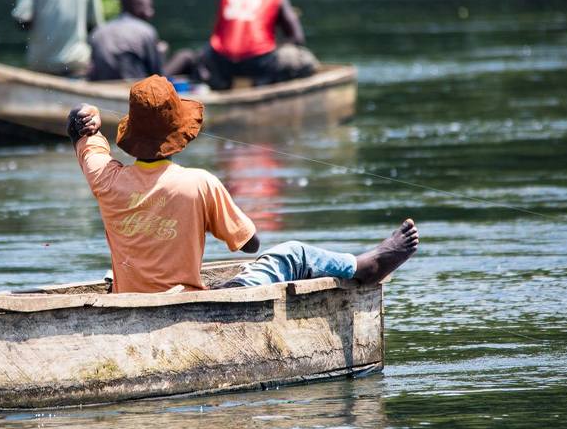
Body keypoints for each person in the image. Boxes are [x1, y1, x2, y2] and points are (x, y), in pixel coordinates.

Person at [67, 75, 419, 293]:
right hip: (191, 308)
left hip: (129, 303)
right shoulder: (199, 184)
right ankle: (362, 267)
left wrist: (86, 114)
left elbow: (83, 135)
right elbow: (251, 244)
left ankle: (362, 264)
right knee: (293, 253)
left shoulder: (106, 179)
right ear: (179, 135)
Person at [200, 0, 316, 90]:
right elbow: (298, 38)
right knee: (302, 59)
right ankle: (265, 84)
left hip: (220, 61)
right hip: (258, 63)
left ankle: (221, 84)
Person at [87, 0, 164, 81]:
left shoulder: (98, 31)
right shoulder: (146, 31)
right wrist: (160, 54)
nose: (151, 12)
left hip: (101, 85)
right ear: (137, 7)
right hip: (135, 88)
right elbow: (157, 74)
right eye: (148, 6)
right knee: (185, 57)